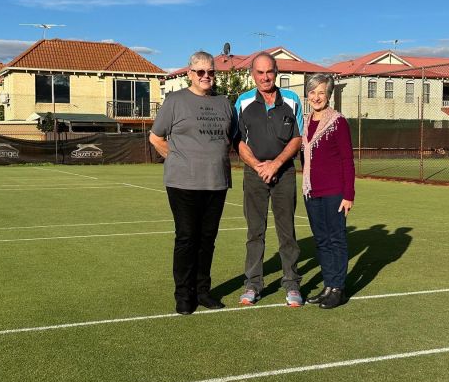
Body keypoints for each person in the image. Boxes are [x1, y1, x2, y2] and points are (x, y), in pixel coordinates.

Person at [149, 51, 235, 315]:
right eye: (201, 72)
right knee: (187, 238)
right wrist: (179, 160)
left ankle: (203, 291)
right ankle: (184, 295)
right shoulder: (175, 101)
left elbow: (229, 139)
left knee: (207, 239)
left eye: (211, 72)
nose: (206, 76)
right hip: (183, 184)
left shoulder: (224, 103)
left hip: (217, 183)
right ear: (190, 73)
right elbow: (155, 138)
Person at [235, 53, 304, 307]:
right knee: (255, 232)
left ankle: (292, 284)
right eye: (260, 72)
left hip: (284, 173)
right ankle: (253, 284)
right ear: (252, 74)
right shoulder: (242, 102)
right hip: (254, 174)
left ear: (277, 71)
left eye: (270, 72)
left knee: (287, 231)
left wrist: (275, 164)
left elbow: (297, 139)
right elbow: (238, 141)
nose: (265, 77)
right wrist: (257, 166)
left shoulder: (292, 100)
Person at [302, 73, 355, 309]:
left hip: (334, 192)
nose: (316, 97)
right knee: (322, 241)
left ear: (329, 94)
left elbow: (347, 159)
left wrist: (348, 194)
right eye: (312, 92)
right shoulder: (304, 122)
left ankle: (338, 289)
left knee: (337, 240)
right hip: (312, 192)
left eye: (321, 92)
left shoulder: (338, 122)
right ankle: (328, 285)